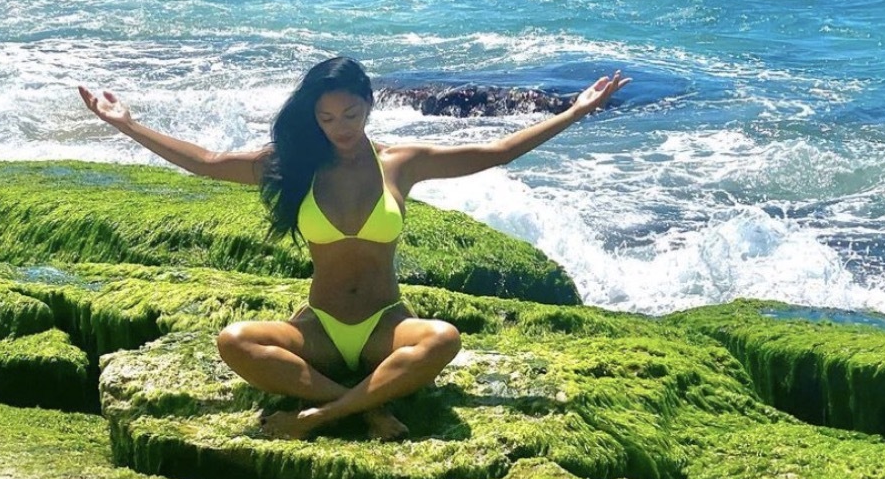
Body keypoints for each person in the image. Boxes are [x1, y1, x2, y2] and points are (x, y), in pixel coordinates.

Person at [78, 57, 628, 441]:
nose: (338, 128)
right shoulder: (291, 164)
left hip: (385, 328)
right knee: (234, 341)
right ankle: (366, 407)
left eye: (350, 115)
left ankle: (322, 414)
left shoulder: (401, 163)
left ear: (369, 105)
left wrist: (574, 111)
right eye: (325, 118)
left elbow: (497, 152)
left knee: (443, 338)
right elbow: (205, 160)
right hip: (317, 328)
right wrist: (127, 124)